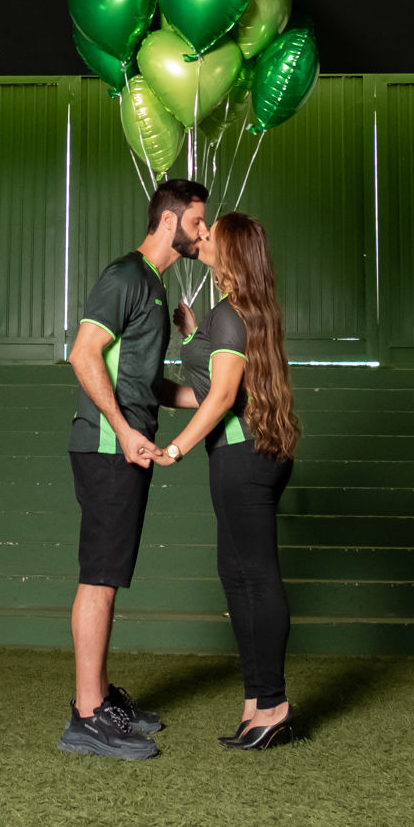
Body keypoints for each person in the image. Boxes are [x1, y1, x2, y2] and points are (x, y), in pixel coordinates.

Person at [57, 178, 206, 761]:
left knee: (109, 576)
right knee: (98, 577)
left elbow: (142, 381)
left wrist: (200, 400)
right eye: (197, 222)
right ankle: (88, 716)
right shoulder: (125, 277)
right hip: (106, 446)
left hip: (126, 444)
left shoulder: (152, 287)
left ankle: (97, 697)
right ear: (169, 222)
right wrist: (123, 431)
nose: (202, 232)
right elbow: (83, 353)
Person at [161, 212, 303, 749]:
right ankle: (256, 701)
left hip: (243, 459)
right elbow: (212, 391)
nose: (202, 236)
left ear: (233, 250)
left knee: (256, 578)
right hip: (252, 454)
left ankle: (275, 705)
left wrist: (175, 448)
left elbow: (221, 400)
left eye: (211, 232)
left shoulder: (230, 313)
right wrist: (154, 383)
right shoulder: (239, 311)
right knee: (237, 575)